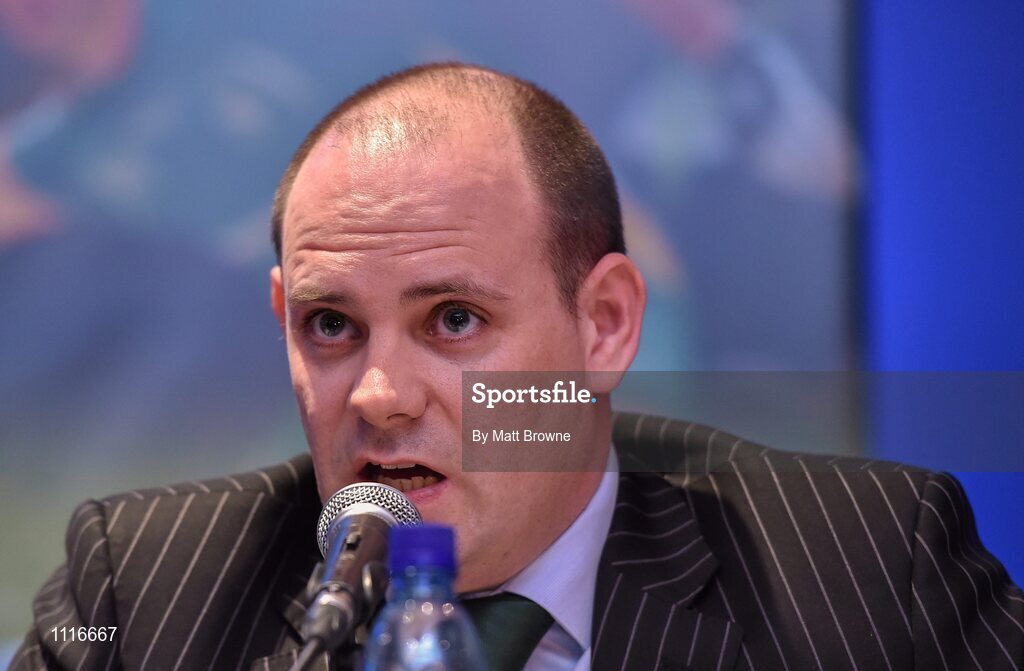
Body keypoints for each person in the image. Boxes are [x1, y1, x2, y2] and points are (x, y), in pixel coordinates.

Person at [10, 63, 1023, 671]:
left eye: (453, 319)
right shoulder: (147, 591)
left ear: (607, 325)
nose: (379, 394)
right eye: (329, 325)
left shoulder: (858, 571)